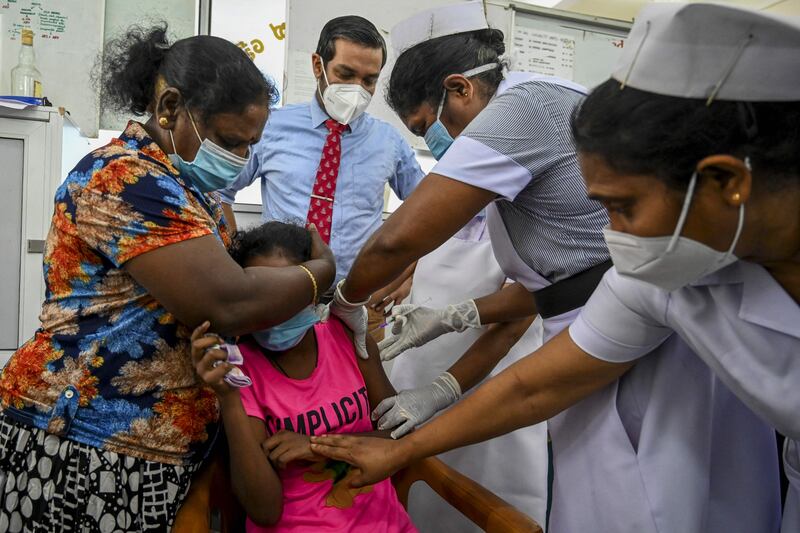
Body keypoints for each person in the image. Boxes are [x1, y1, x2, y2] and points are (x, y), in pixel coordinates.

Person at [311, 4, 800, 533]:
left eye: (622, 208)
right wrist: (407, 440)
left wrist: (348, 301)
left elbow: (396, 241)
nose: (608, 236)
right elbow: (536, 385)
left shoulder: (530, 114)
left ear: (727, 181)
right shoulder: (655, 281)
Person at [0, 26, 336, 531]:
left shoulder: (184, 192)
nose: (241, 159)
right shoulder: (126, 177)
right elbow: (227, 303)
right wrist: (320, 273)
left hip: (151, 449)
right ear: (170, 107)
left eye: (250, 146)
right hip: (87, 443)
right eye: (229, 141)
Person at [191, 221, 415, 532]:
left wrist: (315, 446)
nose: (277, 309)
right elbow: (265, 510)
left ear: (312, 291)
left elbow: (402, 436)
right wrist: (229, 400)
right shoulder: (238, 371)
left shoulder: (347, 336)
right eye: (264, 295)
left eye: (288, 293)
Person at [220, 15, 425, 342]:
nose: (357, 90)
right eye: (345, 74)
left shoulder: (389, 142)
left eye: (369, 80)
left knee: (358, 386)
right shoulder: (272, 127)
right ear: (318, 65)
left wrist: (411, 272)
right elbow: (220, 194)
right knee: (279, 385)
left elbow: (428, 212)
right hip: (280, 296)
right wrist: (237, 266)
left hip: (360, 300)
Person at [383, 212, 548, 531]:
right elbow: (411, 259)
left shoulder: (536, 222)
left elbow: (508, 332)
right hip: (416, 370)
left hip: (491, 389)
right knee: (410, 501)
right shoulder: (449, 203)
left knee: (480, 505)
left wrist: (441, 390)